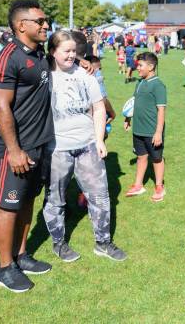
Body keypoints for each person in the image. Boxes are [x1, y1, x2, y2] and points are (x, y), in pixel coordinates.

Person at [42, 30, 126, 263]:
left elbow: (99, 108)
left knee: (100, 196)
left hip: (87, 144)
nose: (71, 56)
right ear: (53, 52)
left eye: (74, 51)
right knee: (55, 198)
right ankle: (59, 243)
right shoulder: (44, 75)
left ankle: (103, 242)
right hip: (56, 148)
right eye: (65, 51)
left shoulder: (87, 75)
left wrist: (99, 140)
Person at [0, 0, 54, 292]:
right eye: (40, 21)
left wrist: (85, 61)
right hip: (14, 148)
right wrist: (14, 150)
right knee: (9, 206)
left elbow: (65, 58)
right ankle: (4, 268)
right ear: (21, 25)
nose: (46, 25)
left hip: (38, 144)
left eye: (46, 20)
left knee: (27, 201)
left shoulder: (39, 53)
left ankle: (22, 254)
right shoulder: (7, 57)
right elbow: (1, 107)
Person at [124, 52, 167, 202]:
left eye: (141, 65)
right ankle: (138, 185)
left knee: (156, 158)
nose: (138, 68)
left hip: (152, 131)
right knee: (141, 156)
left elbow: (161, 110)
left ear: (151, 66)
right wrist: (128, 118)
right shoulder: (140, 82)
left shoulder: (158, 85)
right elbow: (135, 102)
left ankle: (159, 186)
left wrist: (158, 132)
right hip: (138, 129)